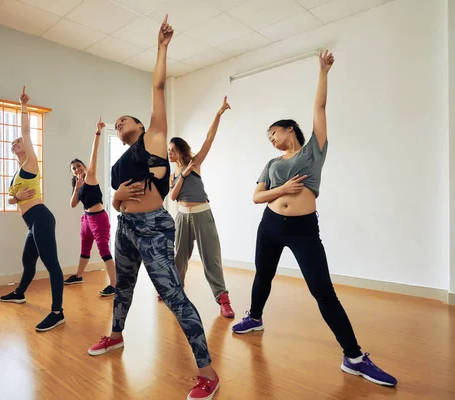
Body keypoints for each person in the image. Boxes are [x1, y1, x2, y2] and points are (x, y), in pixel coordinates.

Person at [231, 51, 397, 387]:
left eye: (274, 133)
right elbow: (256, 197)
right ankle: (255, 318)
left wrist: (323, 72)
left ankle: (353, 356)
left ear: (289, 128)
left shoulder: (313, 151)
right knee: (263, 274)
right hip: (271, 225)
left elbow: (319, 109)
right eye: (269, 139)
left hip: (304, 230)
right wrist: (284, 189)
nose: (272, 140)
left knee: (322, 291)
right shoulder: (271, 163)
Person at [87, 15, 220, 400]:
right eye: (116, 122)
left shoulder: (154, 140)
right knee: (122, 289)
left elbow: (158, 85)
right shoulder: (121, 160)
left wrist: (161, 48)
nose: (119, 122)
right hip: (125, 227)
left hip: (154, 226)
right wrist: (113, 200)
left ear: (142, 125)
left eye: (124, 118)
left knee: (174, 296)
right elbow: (105, 190)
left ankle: (208, 372)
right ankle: (115, 337)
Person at [0, 86, 65, 332]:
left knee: (51, 264)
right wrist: (15, 197)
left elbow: (26, 130)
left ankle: (57, 312)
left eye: (19, 142)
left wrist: (24, 106)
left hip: (41, 218)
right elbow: (9, 200)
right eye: (13, 143)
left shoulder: (31, 162)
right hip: (31, 223)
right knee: (28, 261)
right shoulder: (16, 174)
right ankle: (19, 293)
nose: (17, 143)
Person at [168, 96, 234, 318]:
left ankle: (223, 299)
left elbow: (209, 139)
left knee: (211, 258)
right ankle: (177, 293)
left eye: (173, 149)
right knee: (179, 257)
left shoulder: (194, 163)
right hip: (182, 216)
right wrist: (182, 176)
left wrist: (218, 114)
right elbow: (174, 195)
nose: (169, 153)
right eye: (168, 150)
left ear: (181, 150)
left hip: (202, 214)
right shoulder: (173, 173)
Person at [64, 118, 116, 296]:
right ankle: (78, 275)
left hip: (98, 218)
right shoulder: (78, 184)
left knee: (104, 250)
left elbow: (94, 153)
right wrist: (76, 188)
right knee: (84, 249)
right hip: (86, 219)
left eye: (78, 166)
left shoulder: (91, 177)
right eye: (73, 168)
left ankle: (114, 284)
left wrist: (98, 132)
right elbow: (72, 204)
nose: (76, 169)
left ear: (85, 167)